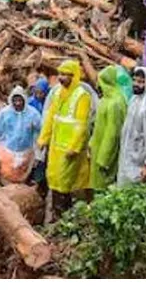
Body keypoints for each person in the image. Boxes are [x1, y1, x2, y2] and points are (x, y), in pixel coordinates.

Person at [38, 59, 94, 219]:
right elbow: (50, 117)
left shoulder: (82, 96)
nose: (61, 78)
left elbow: (82, 125)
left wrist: (74, 147)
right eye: (60, 74)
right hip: (56, 146)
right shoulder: (57, 93)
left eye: (65, 75)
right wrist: (43, 138)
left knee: (67, 181)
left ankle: (68, 214)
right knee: (54, 178)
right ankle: (58, 214)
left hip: (70, 149)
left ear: (73, 76)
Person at [0, 87, 44, 184]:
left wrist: (38, 155)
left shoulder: (33, 114)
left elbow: (40, 134)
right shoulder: (4, 113)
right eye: (15, 101)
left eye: (20, 100)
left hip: (26, 151)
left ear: (24, 100)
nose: (18, 103)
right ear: (11, 101)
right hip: (6, 149)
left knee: (23, 176)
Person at [88, 66, 128, 191]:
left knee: (104, 189)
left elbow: (113, 134)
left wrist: (104, 159)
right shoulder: (106, 99)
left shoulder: (115, 103)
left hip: (105, 157)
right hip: (98, 150)